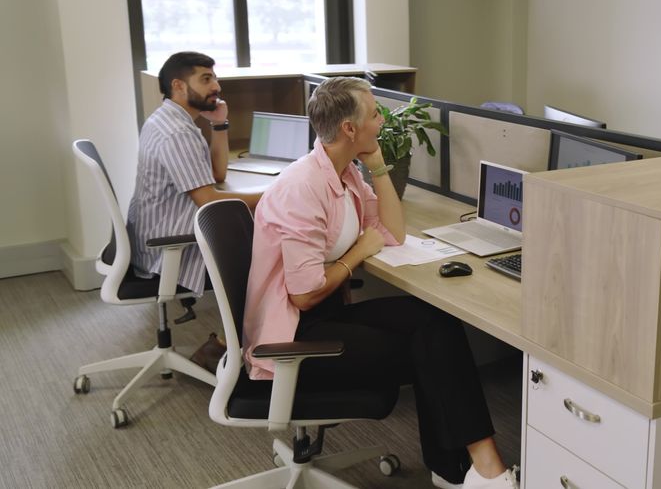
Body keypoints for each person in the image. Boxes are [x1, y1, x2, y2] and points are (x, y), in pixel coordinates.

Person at [244, 76, 518, 488]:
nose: (382, 119)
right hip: (297, 336)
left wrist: (376, 167)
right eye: (375, 114)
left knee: (433, 319)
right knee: (431, 346)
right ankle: (476, 469)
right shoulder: (304, 187)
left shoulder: (343, 171)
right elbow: (302, 296)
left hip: (328, 312)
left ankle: (461, 469)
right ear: (349, 129)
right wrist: (357, 252)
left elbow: (391, 233)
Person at [127, 51, 260, 363]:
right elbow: (209, 201)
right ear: (179, 85)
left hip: (156, 235)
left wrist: (221, 124)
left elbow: (216, 175)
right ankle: (224, 349)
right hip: (169, 250)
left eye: (214, 77)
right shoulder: (177, 134)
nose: (216, 86)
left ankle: (239, 342)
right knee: (270, 257)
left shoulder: (167, 118)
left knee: (261, 236)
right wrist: (274, 194)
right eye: (205, 79)